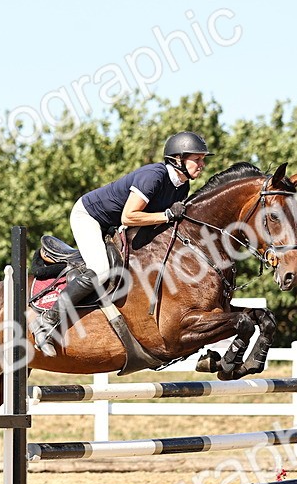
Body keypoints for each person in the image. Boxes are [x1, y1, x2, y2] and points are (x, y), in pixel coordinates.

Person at [31, 131, 212, 356]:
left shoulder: (181, 186)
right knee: (101, 270)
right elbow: (130, 216)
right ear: (178, 159)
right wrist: (166, 215)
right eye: (197, 159)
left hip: (113, 224)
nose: (202, 164)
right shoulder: (154, 176)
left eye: (203, 159)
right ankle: (47, 320)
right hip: (89, 216)